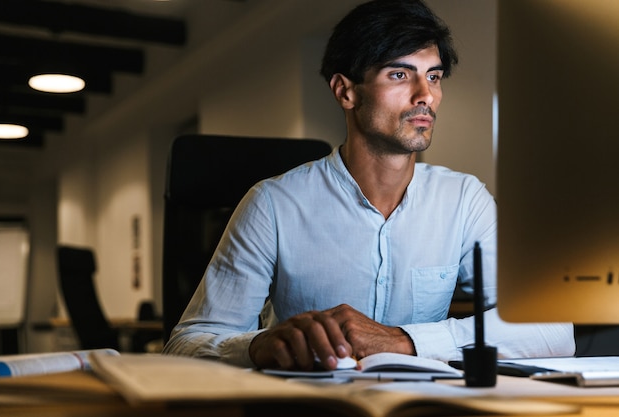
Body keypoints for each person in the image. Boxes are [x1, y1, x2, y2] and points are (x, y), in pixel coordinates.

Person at [163, 0, 575, 370]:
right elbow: (186, 343)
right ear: (346, 92)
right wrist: (259, 346)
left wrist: (404, 340)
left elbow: (554, 329)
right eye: (400, 74)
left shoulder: (464, 200)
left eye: (433, 76)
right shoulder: (273, 204)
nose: (425, 96)